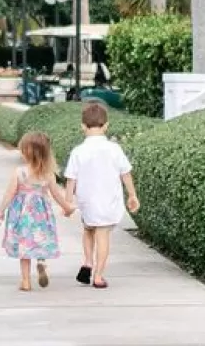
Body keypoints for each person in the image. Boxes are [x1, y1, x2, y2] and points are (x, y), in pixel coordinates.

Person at [63, 101, 139, 289]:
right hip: (107, 200)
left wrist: (68, 202)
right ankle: (98, 276)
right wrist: (132, 195)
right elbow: (125, 173)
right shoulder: (114, 149)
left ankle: (88, 262)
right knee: (102, 235)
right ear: (106, 126)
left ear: (83, 126)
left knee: (88, 230)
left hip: (87, 201)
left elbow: (71, 179)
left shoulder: (78, 151)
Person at [0, 130, 75, 291]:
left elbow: (9, 193)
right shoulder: (48, 174)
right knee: (40, 239)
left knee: (25, 247)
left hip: (22, 215)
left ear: (26, 152)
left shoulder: (20, 172)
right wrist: (67, 207)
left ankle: (26, 281)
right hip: (41, 214)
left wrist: (1, 210)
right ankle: (41, 261)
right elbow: (56, 195)